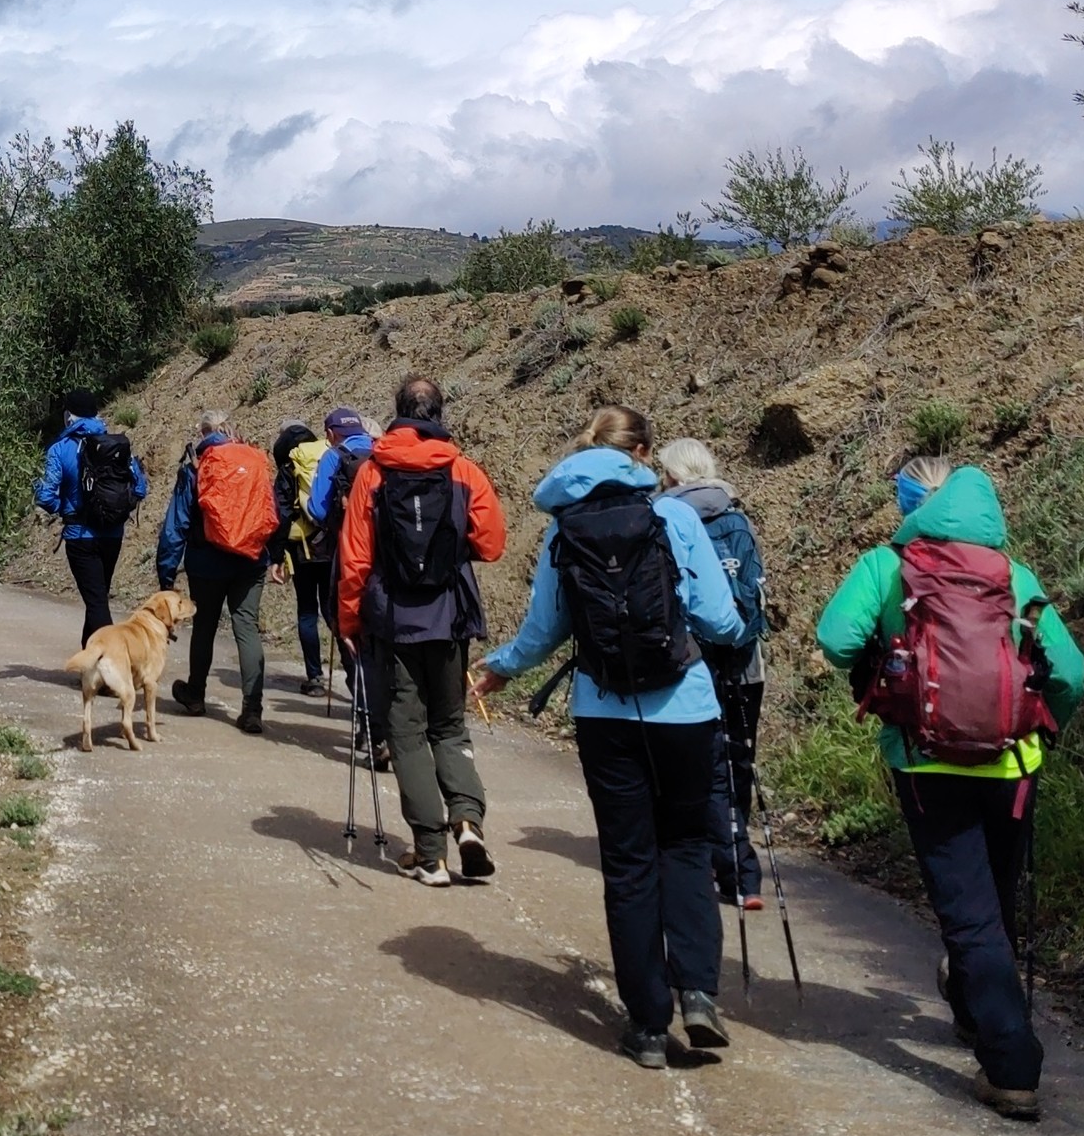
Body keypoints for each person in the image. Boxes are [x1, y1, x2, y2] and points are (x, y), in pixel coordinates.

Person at [813, 453, 1084, 1123]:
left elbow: (833, 639)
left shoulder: (888, 565)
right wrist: (1044, 729)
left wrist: (886, 668)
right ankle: (975, 1012)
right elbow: (1071, 674)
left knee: (968, 916)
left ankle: (1011, 1063)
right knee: (991, 899)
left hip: (926, 761)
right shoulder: (1011, 574)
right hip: (1011, 766)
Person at [476, 407, 744, 1068]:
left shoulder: (562, 531)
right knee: (684, 847)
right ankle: (699, 993)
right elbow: (716, 617)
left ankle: (648, 1027)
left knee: (628, 864)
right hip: (684, 709)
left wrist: (500, 669)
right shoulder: (675, 518)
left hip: (604, 715)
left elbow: (543, 631)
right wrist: (740, 638)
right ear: (639, 458)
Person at [335, 376, 507, 886]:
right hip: (449, 613)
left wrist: (349, 618)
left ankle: (430, 854)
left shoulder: (373, 471)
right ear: (439, 412)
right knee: (450, 726)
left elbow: (355, 557)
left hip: (392, 619)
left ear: (398, 410)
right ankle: (468, 821)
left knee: (405, 732)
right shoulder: (463, 470)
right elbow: (492, 543)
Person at [655, 434, 770, 910]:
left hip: (692, 667)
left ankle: (715, 858)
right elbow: (758, 593)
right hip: (745, 665)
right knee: (738, 763)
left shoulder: (666, 521)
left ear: (674, 476)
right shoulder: (739, 521)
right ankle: (737, 854)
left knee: (699, 765)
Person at [157, 410, 283, 731]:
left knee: (205, 627)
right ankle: (252, 707)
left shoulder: (197, 468)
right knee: (247, 629)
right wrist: (276, 554)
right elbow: (271, 510)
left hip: (207, 563)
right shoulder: (255, 462)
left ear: (203, 434)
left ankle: (196, 694)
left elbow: (177, 525)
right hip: (250, 561)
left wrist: (166, 573)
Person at [35, 395, 147, 648]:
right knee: (97, 598)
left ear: (69, 417)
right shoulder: (115, 446)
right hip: (113, 534)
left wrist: (63, 509)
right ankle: (92, 665)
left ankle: (114, 665)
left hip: (80, 536)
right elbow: (139, 489)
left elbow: (45, 495)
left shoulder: (60, 449)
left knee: (96, 603)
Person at [273, 420, 338, 695]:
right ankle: (356, 670)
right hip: (333, 547)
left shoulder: (289, 467)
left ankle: (315, 679)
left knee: (307, 612)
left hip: (302, 550)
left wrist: (276, 556)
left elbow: (282, 513)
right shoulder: (330, 458)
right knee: (334, 610)